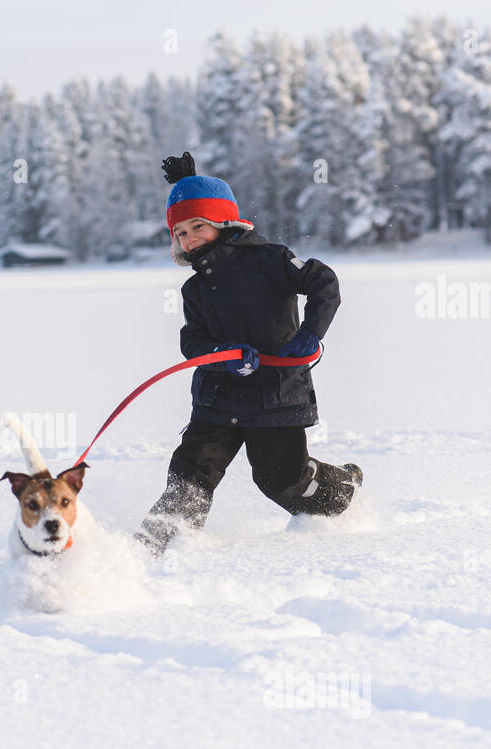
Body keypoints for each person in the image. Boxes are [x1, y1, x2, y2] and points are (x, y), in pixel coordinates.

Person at [135, 151, 363, 558]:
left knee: (281, 479)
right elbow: (193, 340)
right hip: (217, 397)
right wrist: (221, 354)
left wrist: (310, 334)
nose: (189, 240)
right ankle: (158, 541)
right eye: (180, 233)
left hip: (276, 395)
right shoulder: (194, 288)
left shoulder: (270, 259)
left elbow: (324, 282)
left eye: (197, 227)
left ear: (223, 222)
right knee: (191, 471)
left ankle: (341, 490)